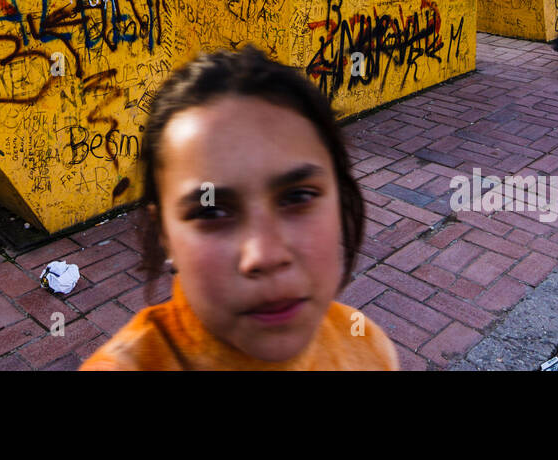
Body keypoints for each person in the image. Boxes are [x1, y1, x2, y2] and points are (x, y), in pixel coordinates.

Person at [79, 46, 399, 370]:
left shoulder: (367, 347)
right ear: (165, 234)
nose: (265, 255)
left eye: (298, 197)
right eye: (212, 212)